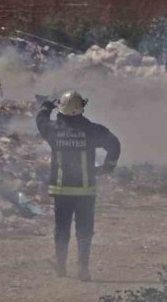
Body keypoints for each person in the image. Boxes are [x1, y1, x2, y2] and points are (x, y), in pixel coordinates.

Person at [37, 91, 121, 281]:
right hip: (86, 190)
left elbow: (40, 120)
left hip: (61, 190)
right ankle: (83, 268)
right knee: (84, 229)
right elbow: (114, 144)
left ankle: (60, 266)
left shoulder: (53, 130)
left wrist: (46, 106)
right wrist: (107, 167)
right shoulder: (91, 130)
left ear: (62, 110)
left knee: (62, 229)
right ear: (82, 108)